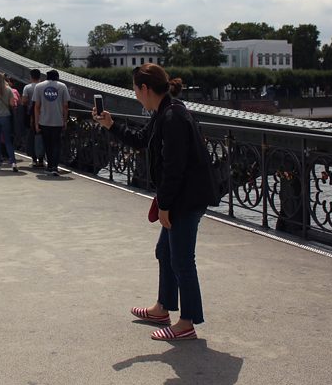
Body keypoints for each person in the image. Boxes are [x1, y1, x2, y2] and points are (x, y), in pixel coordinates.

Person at [92, 63, 215, 341]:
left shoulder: (172, 118)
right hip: (182, 195)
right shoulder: (164, 112)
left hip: (186, 198)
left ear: (145, 88)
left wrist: (165, 205)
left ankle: (187, 323)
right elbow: (141, 140)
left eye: (135, 89)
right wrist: (110, 125)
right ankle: (162, 308)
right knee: (165, 252)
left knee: (183, 260)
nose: (134, 94)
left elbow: (175, 167)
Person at [34, 69, 70, 176]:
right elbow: (66, 106)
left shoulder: (39, 86)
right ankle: (55, 167)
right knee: (56, 144)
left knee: (47, 144)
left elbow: (36, 107)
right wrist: (65, 120)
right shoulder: (62, 86)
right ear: (57, 77)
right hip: (58, 121)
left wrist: (36, 123)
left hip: (44, 121)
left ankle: (49, 166)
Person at [22, 69, 45, 167]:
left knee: (32, 137)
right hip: (44, 115)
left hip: (31, 115)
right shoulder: (43, 87)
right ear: (40, 77)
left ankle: (34, 159)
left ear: (30, 77)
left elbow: (24, 101)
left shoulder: (27, 87)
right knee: (42, 137)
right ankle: (41, 159)